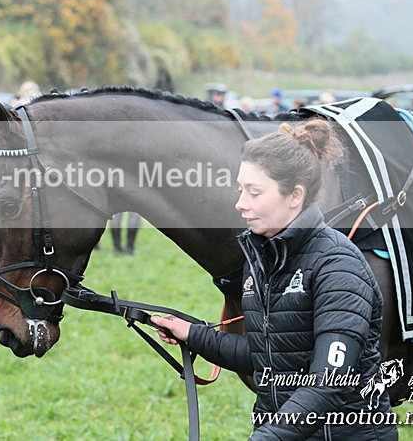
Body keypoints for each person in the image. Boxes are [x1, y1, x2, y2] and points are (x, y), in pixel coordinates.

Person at [152, 119, 397, 440]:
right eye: (240, 190)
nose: (240, 203)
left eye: (254, 192)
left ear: (294, 196)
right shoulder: (261, 262)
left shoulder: (337, 265)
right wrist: (192, 334)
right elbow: (269, 355)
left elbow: (330, 381)